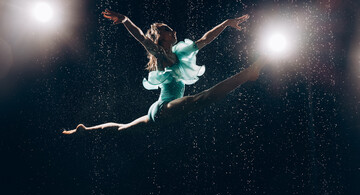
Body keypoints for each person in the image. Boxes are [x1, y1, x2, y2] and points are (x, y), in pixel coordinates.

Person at [62, 9, 267, 135]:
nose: (172, 30)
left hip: (160, 112)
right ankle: (248, 74)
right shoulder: (159, 53)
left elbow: (205, 39)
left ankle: (85, 130)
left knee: (121, 129)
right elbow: (142, 37)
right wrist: (125, 20)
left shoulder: (179, 54)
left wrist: (226, 23)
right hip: (164, 108)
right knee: (201, 99)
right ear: (160, 36)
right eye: (166, 29)